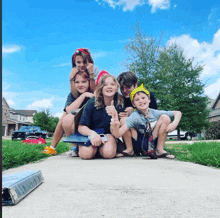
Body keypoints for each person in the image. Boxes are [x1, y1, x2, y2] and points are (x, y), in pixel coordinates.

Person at [110, 84, 182, 159]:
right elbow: (118, 134)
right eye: (137, 100)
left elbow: (178, 113)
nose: (141, 101)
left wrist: (174, 124)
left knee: (165, 117)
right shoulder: (134, 116)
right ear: (134, 104)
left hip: (152, 139)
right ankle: (130, 149)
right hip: (140, 141)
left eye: (143, 98)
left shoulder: (154, 112)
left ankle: (159, 150)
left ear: (149, 100)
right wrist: (115, 125)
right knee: (124, 119)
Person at [42, 71, 94, 155]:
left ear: (89, 82)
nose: (80, 84)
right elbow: (69, 110)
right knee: (65, 116)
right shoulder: (72, 95)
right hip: (78, 125)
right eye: (77, 82)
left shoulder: (94, 92)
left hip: (91, 124)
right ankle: (72, 147)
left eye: (83, 81)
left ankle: (53, 147)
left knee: (65, 116)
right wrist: (83, 95)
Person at [77, 74, 124, 160]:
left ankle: (103, 149)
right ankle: (91, 149)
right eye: (105, 85)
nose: (109, 87)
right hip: (91, 133)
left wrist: (115, 119)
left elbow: (116, 133)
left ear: (116, 87)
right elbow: (81, 127)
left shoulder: (119, 104)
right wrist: (92, 134)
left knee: (108, 153)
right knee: (86, 154)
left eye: (112, 84)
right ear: (101, 88)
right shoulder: (92, 102)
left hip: (108, 134)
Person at [116, 71, 158, 156]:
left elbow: (154, 118)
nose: (124, 91)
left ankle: (152, 148)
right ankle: (130, 149)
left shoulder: (148, 96)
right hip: (133, 137)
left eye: (128, 87)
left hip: (148, 134)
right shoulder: (120, 100)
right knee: (123, 120)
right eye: (121, 88)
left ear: (135, 84)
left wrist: (135, 111)